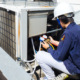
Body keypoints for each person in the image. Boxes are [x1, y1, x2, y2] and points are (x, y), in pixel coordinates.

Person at [35, 2, 80, 80]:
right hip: (77, 64)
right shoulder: (77, 28)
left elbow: (59, 56)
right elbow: (68, 45)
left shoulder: (67, 33)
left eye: (58, 20)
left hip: (73, 68)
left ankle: (50, 78)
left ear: (60, 20)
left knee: (39, 55)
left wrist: (48, 48)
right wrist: (52, 41)